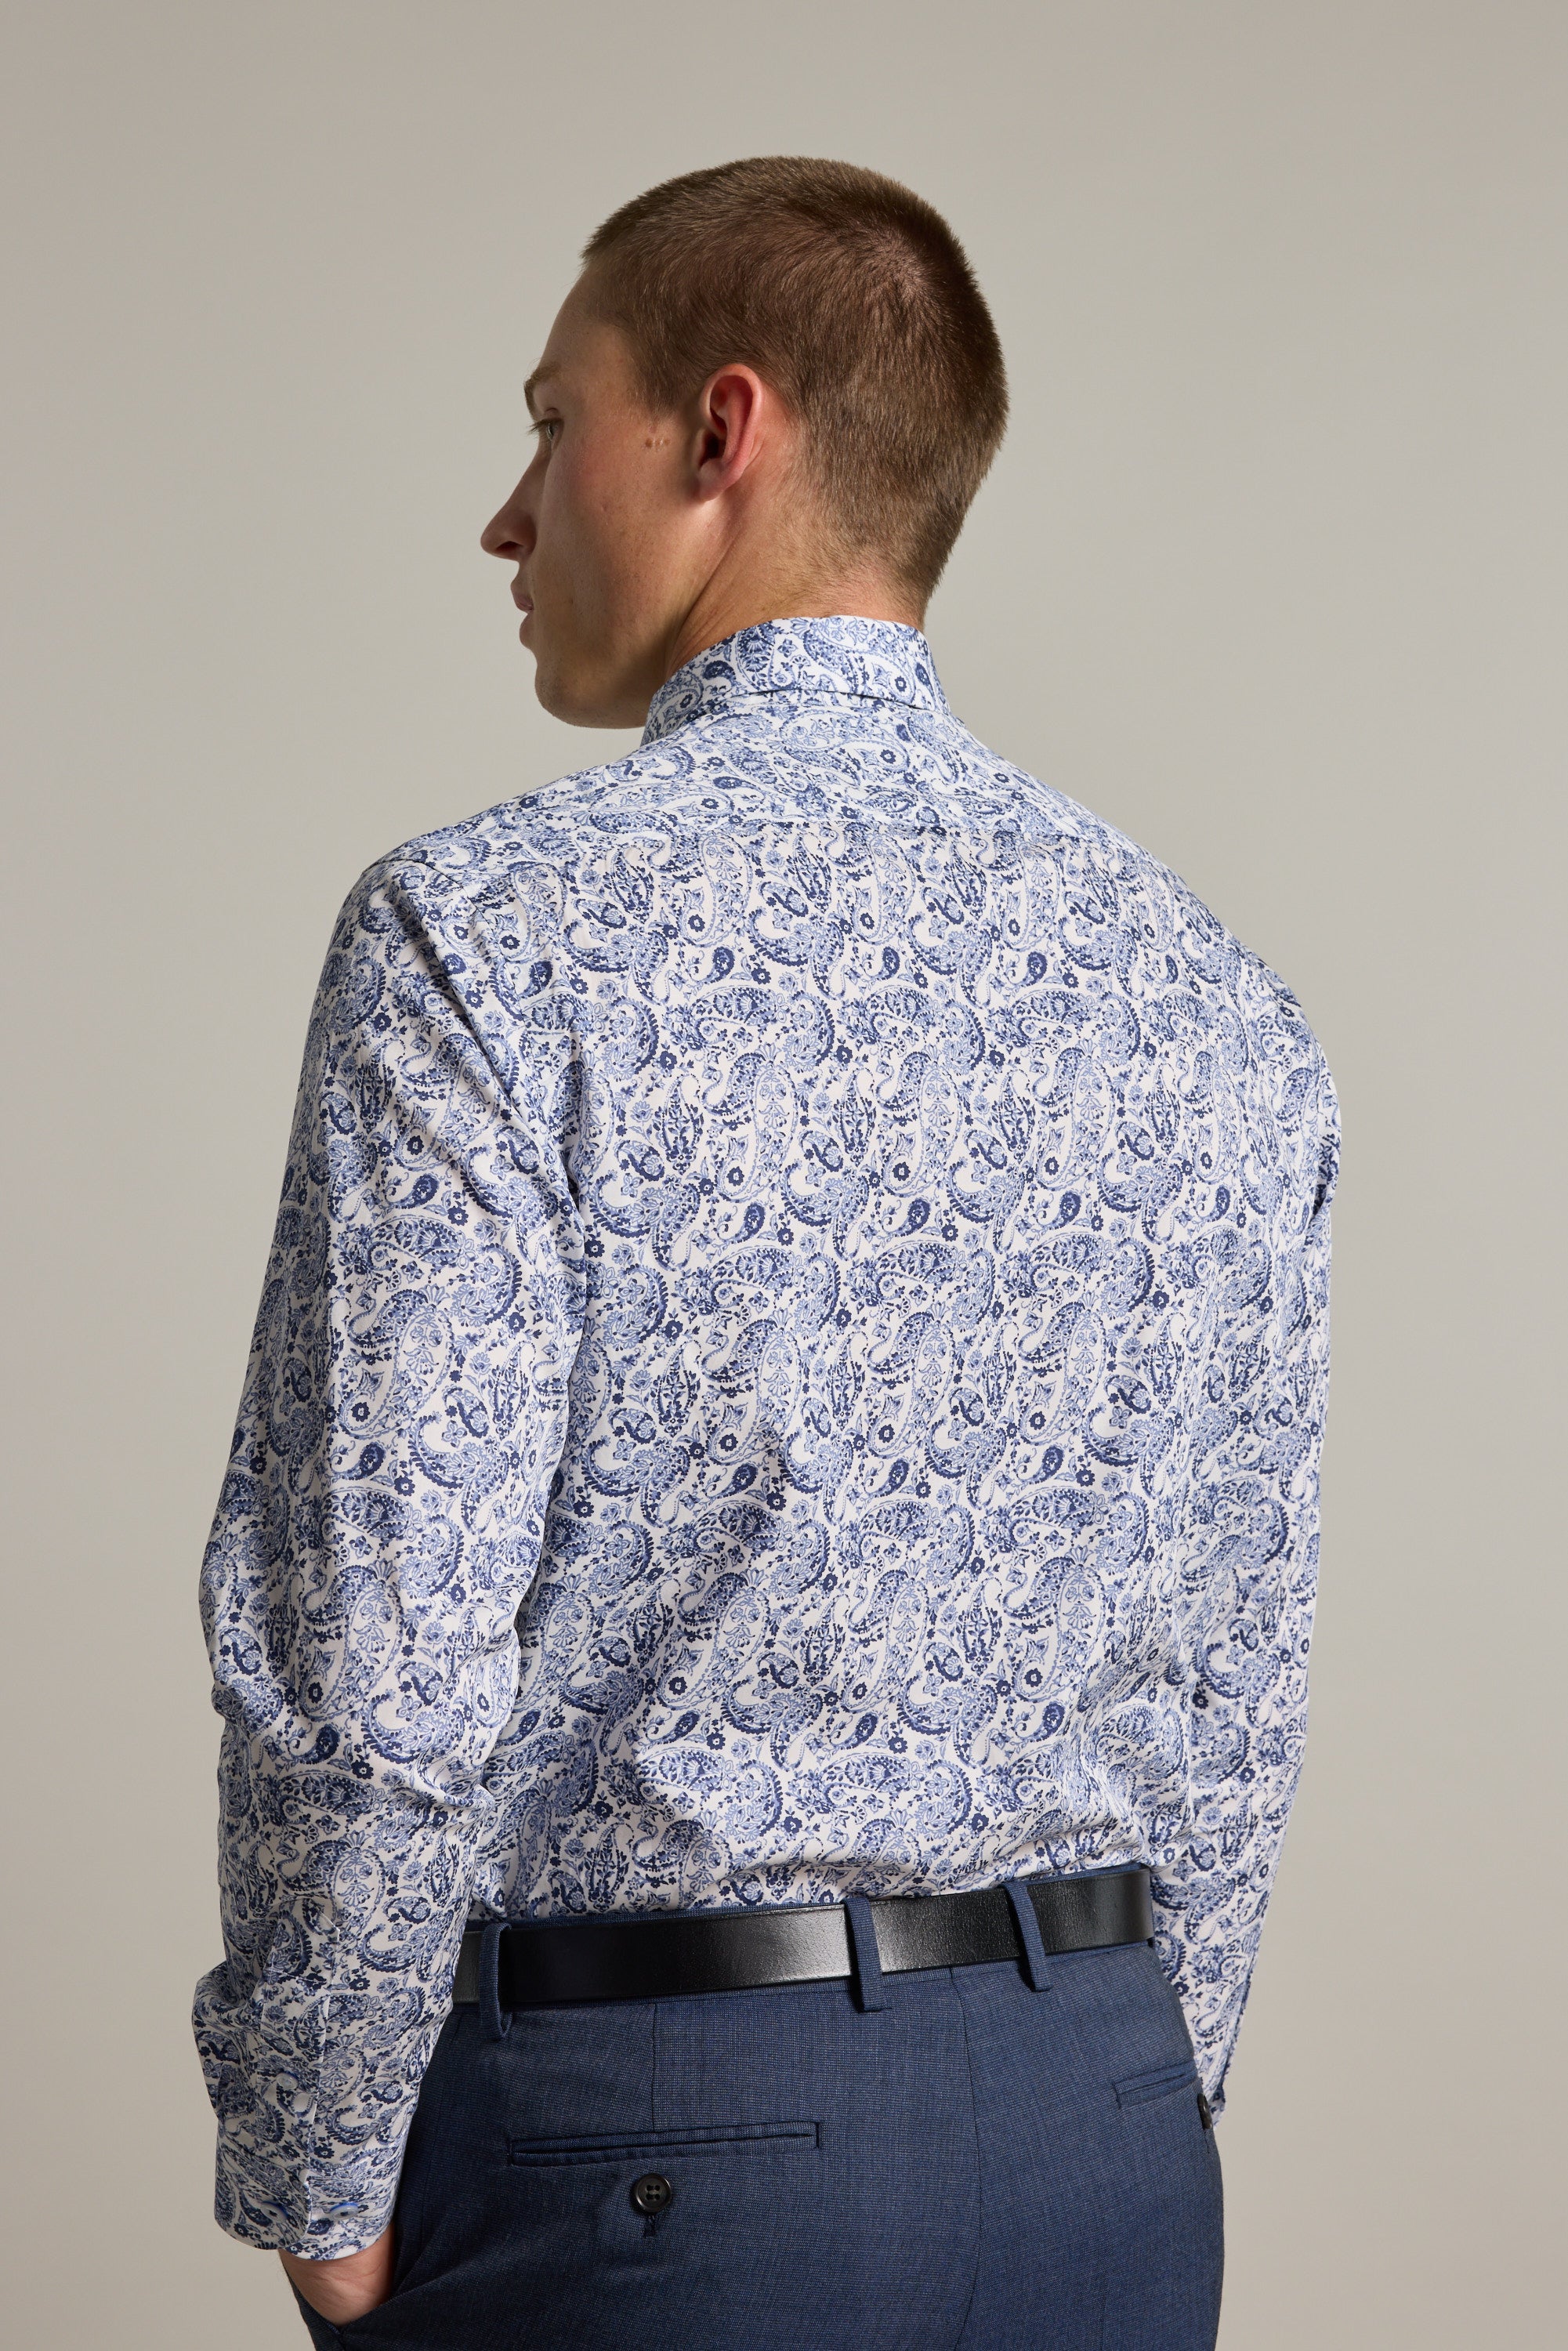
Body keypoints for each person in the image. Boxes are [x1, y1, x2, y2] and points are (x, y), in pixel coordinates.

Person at [194, 158, 1337, 2351]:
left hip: (655, 2157)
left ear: (723, 434)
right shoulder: (1209, 988)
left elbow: (375, 1657)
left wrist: (319, 2161)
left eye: (553, 422)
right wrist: (1123, 2091)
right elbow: (1236, 1669)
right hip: (1099, 2142)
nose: (510, 515)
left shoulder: (484, 940)